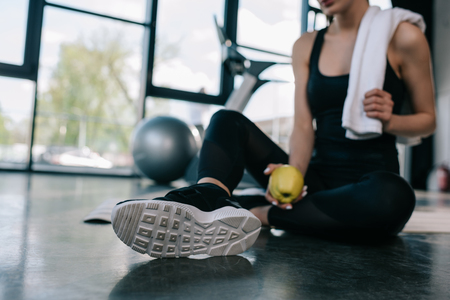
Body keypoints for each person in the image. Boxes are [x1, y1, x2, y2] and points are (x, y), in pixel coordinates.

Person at [111, 0, 436, 258]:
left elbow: (427, 118)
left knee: (394, 198)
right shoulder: (307, 45)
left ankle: (260, 214)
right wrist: (292, 175)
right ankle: (209, 197)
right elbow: (302, 125)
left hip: (369, 183)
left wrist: (389, 120)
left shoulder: (403, 36)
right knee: (227, 119)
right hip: (316, 181)